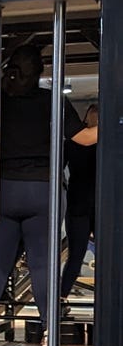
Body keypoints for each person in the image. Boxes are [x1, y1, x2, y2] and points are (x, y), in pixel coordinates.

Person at [0, 45, 98, 346]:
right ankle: (49, 333)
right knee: (41, 266)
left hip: (2, 191)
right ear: (40, 72)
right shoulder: (53, 101)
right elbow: (84, 138)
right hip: (43, 191)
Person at [60, 103, 98, 309]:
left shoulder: (73, 143)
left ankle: (61, 296)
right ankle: (61, 296)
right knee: (76, 254)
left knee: (78, 254)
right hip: (82, 204)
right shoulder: (74, 143)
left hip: (89, 203)